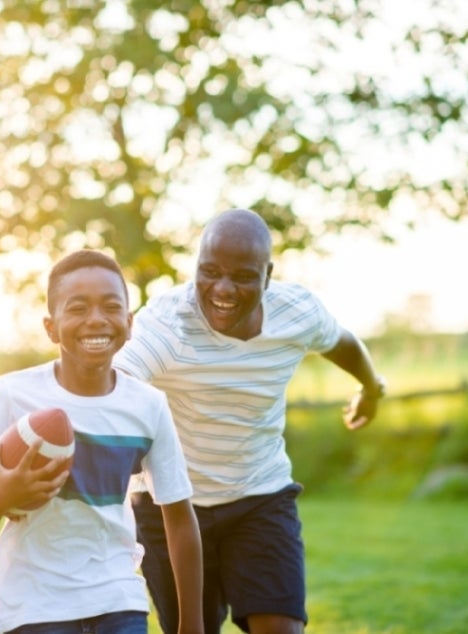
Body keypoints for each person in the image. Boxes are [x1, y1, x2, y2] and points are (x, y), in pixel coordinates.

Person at [113, 209, 386, 634]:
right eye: (209, 272)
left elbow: (344, 344)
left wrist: (371, 388)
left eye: (242, 276)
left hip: (260, 496)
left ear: (268, 275)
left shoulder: (296, 313)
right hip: (170, 507)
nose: (222, 289)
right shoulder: (167, 325)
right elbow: (114, 383)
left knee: (281, 629)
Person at [0, 249, 204, 634]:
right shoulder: (12, 395)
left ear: (129, 321)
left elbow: (178, 518)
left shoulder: (148, 405)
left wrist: (192, 625)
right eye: (77, 308)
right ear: (51, 327)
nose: (96, 320)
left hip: (118, 598)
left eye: (111, 307)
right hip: (33, 605)